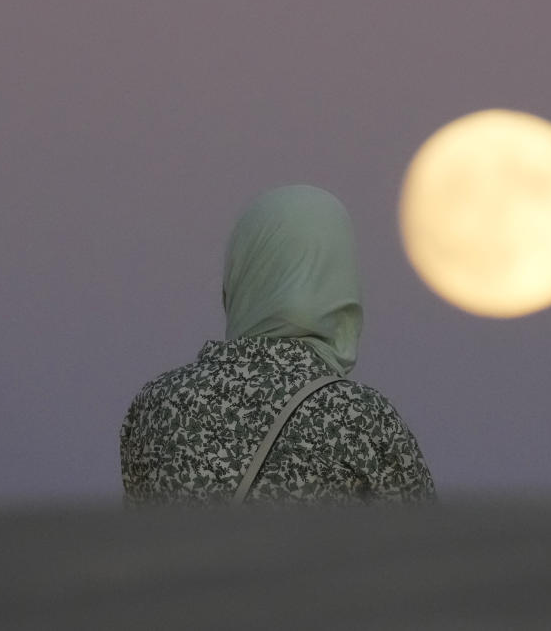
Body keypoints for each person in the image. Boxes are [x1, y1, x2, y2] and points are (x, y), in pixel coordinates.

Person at [120, 185, 435, 505]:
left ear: (239, 274)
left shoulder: (156, 404)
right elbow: (425, 544)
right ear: (341, 287)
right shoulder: (360, 416)